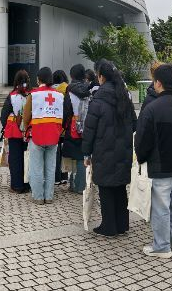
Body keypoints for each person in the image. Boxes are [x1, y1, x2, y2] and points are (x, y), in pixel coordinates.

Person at [135, 65, 172, 258]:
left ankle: (161, 246)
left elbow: (142, 140)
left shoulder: (151, 109)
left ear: (158, 83)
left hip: (159, 165)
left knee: (161, 206)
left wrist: (142, 158)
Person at [82, 61, 136, 237]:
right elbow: (134, 124)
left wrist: (86, 153)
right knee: (120, 187)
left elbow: (89, 129)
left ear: (101, 77)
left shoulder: (98, 99)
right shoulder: (125, 96)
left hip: (103, 150)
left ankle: (109, 227)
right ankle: (122, 225)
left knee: (106, 187)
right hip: (123, 151)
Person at [21, 67, 64, 204]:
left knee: (37, 167)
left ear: (39, 79)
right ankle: (49, 196)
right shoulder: (59, 95)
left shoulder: (33, 95)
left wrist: (26, 128)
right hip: (54, 135)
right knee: (50, 168)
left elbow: (26, 116)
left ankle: (38, 197)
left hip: (37, 134)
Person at [0, 70, 31, 193]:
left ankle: (17, 186)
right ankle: (27, 185)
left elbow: (3, 115)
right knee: (27, 158)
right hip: (29, 131)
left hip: (15, 131)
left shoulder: (12, 96)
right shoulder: (32, 94)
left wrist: (5, 126)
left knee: (15, 159)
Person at [62, 63, 91, 193]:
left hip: (74, 126)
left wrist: (63, 125)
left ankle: (76, 185)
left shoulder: (69, 90)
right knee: (83, 155)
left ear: (72, 76)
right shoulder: (89, 89)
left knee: (75, 156)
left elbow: (66, 110)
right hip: (88, 125)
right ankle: (81, 185)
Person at [52, 69, 70, 186]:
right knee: (64, 152)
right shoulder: (68, 89)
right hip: (65, 126)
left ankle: (56, 178)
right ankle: (64, 176)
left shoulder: (51, 91)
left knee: (55, 152)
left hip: (55, 125)